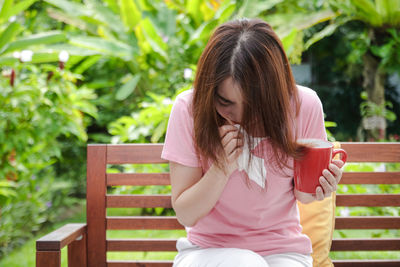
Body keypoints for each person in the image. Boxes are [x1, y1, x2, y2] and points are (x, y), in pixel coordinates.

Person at [161, 18, 344, 267]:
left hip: (284, 250)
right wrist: (222, 166)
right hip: (206, 251)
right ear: (209, 91)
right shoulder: (188, 109)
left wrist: (321, 186)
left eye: (255, 105)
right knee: (245, 262)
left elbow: (303, 195)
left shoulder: (303, 105)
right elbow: (186, 213)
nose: (241, 116)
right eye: (225, 102)